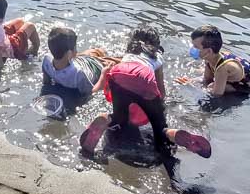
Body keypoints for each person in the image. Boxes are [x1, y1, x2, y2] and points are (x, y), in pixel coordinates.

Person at [79, 26, 212, 158]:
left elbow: (125, 81)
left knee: (120, 117)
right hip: (143, 75)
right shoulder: (157, 56)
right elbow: (161, 92)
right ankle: (175, 134)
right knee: (159, 127)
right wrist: (156, 108)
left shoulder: (129, 53)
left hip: (118, 71)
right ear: (156, 43)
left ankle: (105, 119)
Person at [41, 26, 117, 100]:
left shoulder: (46, 60)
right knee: (117, 63)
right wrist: (103, 74)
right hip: (96, 67)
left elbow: (46, 82)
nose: (76, 51)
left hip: (83, 60)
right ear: (69, 53)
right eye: (75, 48)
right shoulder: (78, 74)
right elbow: (92, 92)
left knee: (98, 51)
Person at [188, 25, 250, 96]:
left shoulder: (222, 69)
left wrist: (196, 88)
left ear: (208, 51)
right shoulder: (209, 58)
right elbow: (207, 79)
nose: (192, 48)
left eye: (196, 47)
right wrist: (190, 81)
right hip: (234, 76)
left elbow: (217, 94)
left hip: (249, 87)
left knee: (211, 87)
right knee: (208, 81)